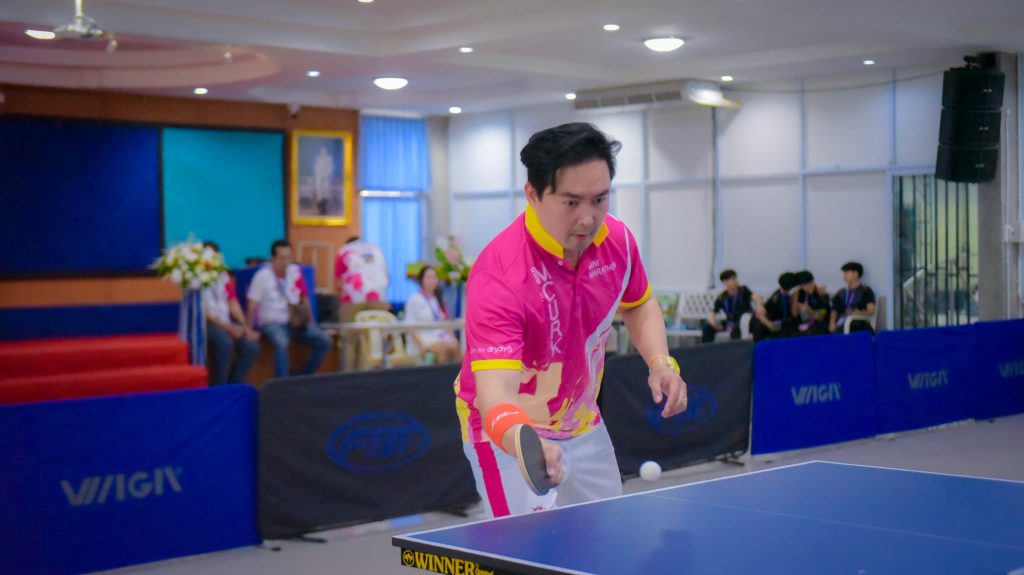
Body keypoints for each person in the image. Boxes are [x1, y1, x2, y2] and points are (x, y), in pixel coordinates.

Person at [455, 122, 688, 518]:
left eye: (599, 199)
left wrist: (661, 362)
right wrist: (527, 444)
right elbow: (496, 396)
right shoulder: (501, 275)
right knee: (523, 550)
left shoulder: (617, 242)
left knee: (607, 541)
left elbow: (638, 304)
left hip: (582, 423)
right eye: (571, 202)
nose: (587, 218)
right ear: (533, 194)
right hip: (507, 432)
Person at [246, 240, 331, 378]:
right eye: (282, 258)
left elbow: (304, 297)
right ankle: (282, 382)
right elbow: (252, 304)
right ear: (273, 259)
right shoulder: (262, 276)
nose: (286, 262)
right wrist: (248, 329)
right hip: (272, 323)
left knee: (324, 340)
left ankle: (302, 375)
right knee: (281, 342)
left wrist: (311, 320)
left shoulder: (295, 271)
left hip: (295, 320)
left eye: (288, 257)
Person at [202, 242, 260, 385]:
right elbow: (204, 312)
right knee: (225, 343)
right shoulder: (196, 278)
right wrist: (228, 328)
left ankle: (234, 384)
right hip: (209, 322)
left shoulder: (223, 276)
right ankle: (219, 386)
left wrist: (245, 326)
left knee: (251, 346)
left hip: (225, 321)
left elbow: (233, 303)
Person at [404, 265, 461, 365]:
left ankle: (460, 373)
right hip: (423, 338)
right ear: (421, 280)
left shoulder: (438, 299)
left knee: (455, 345)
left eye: (434, 277)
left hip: (439, 336)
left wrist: (452, 337)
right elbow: (410, 327)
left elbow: (445, 322)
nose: (432, 280)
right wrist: (422, 346)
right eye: (428, 277)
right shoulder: (414, 300)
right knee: (444, 348)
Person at [335, 236, 390, 318]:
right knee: (378, 325)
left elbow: (339, 283)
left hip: (353, 299)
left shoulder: (345, 251)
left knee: (351, 325)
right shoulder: (377, 250)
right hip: (379, 297)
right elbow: (387, 277)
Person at [701, 269, 759, 343]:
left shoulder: (743, 290)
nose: (735, 281)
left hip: (745, 321)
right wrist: (713, 321)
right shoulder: (722, 297)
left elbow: (756, 297)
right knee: (707, 327)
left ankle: (733, 349)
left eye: (735, 278)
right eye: (732, 279)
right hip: (730, 322)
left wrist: (759, 305)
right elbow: (714, 311)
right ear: (725, 282)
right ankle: (707, 348)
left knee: (736, 327)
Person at [830, 261, 876, 334]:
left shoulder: (866, 291)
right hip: (842, 322)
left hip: (858, 322)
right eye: (844, 273)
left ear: (856, 274)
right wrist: (832, 323)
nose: (844, 275)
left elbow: (871, 311)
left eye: (847, 272)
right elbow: (834, 310)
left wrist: (859, 313)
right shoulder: (841, 292)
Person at [751, 271, 799, 341]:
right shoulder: (777, 296)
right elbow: (765, 311)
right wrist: (767, 321)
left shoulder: (797, 295)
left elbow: (795, 316)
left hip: (788, 324)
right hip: (777, 323)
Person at [794, 270, 831, 336]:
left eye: (810, 283)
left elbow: (821, 317)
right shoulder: (800, 294)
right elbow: (794, 314)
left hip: (820, 325)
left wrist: (809, 311)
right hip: (804, 324)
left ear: (813, 281)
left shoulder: (822, 294)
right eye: (805, 285)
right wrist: (795, 299)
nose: (808, 287)